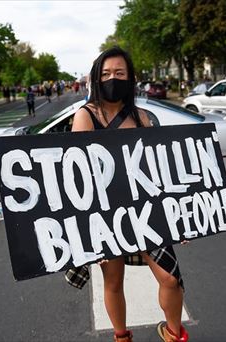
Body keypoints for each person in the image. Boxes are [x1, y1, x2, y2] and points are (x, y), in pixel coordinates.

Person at [67, 46, 189, 342]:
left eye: (119, 73)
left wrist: (181, 218)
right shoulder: (85, 116)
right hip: (105, 214)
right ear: (96, 78)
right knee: (113, 281)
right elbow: (76, 177)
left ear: (130, 78)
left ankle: (173, 334)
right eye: (107, 73)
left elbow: (157, 171)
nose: (113, 78)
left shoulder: (142, 117)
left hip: (144, 211)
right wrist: (87, 231)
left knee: (170, 279)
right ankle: (121, 337)